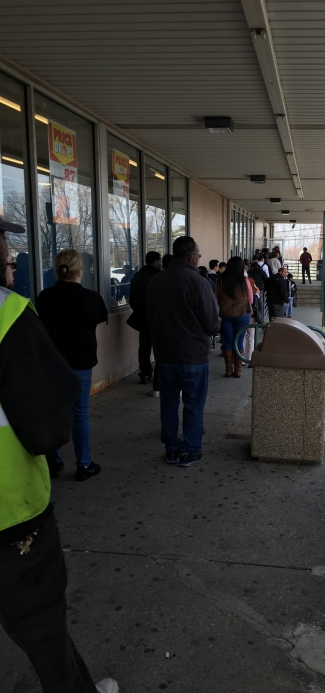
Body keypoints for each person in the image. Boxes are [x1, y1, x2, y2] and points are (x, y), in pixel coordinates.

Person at [0, 218, 118, 693]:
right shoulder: (9, 314)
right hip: (11, 510)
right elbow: (48, 422)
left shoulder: (43, 301)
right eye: (4, 246)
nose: (10, 255)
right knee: (44, 630)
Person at [147, 236, 220, 467]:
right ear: (191, 256)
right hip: (193, 356)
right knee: (193, 404)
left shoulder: (156, 282)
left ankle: (171, 447)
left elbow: (150, 316)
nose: (199, 258)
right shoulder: (198, 283)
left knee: (168, 404)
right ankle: (191, 449)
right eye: (198, 255)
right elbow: (211, 323)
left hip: (164, 355)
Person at [36, 249, 108, 481]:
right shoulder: (91, 298)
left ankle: (53, 462)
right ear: (80, 271)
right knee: (80, 415)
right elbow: (99, 317)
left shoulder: (45, 297)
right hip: (80, 363)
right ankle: (83, 464)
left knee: (54, 413)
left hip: (52, 364)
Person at [128, 251, 162, 394]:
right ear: (155, 261)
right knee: (160, 348)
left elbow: (132, 299)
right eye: (159, 260)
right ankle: (159, 377)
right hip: (158, 318)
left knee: (144, 347)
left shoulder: (137, 276)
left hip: (142, 317)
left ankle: (145, 373)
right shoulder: (159, 276)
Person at [216, 256, 253, 378]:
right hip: (242, 314)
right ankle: (238, 371)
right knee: (239, 341)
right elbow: (250, 299)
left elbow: (216, 296)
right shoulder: (244, 280)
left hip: (226, 314)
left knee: (228, 341)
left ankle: (228, 370)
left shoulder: (221, 280)